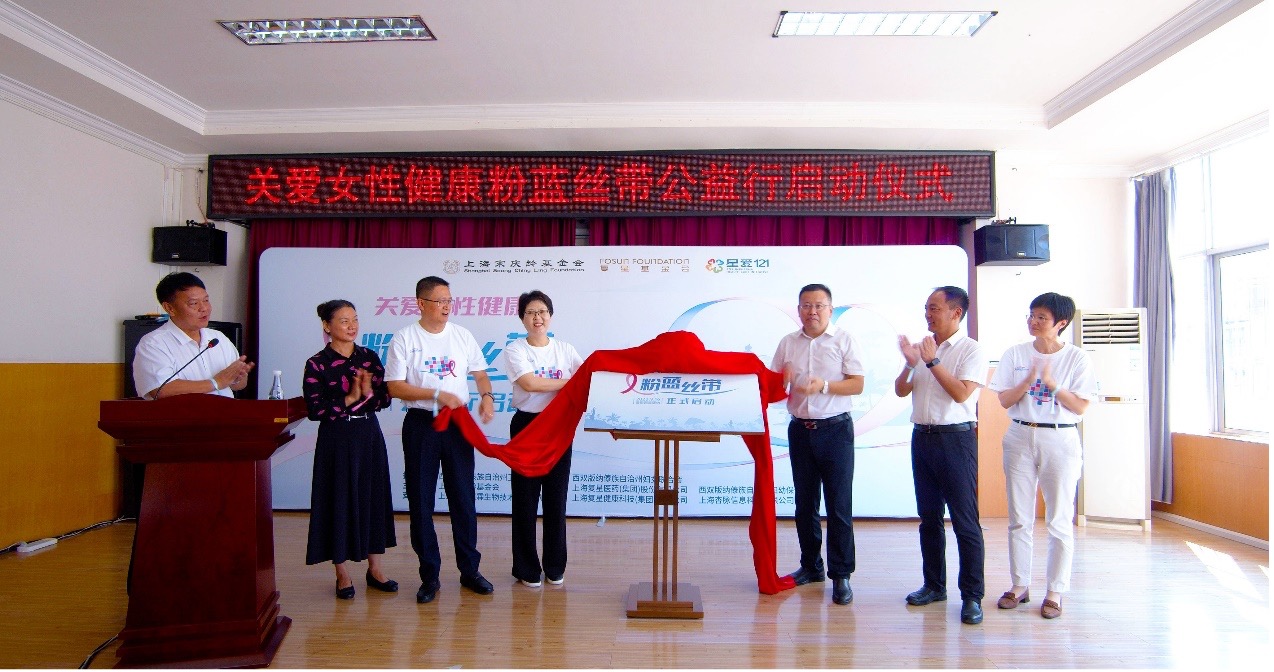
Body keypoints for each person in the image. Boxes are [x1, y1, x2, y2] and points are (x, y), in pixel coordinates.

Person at [385, 276, 497, 604]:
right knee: (421, 500)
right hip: (422, 423)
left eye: (449, 300)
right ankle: (429, 575)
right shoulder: (405, 338)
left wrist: (486, 397)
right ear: (421, 304)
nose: (447, 306)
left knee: (463, 497)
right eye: (440, 301)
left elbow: (480, 374)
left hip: (457, 424)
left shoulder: (461, 335)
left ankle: (470, 570)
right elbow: (395, 386)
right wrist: (437, 394)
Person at [988, 292, 1096, 620]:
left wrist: (1051, 384)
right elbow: (1004, 400)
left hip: (1060, 438)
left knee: (1059, 518)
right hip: (1020, 434)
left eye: (1041, 318)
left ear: (1061, 323)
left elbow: (1080, 406)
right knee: (1019, 517)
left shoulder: (1077, 358)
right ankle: (1019, 585)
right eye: (1031, 315)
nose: (1033, 322)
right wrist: (1028, 380)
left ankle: (1055, 592)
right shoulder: (1015, 353)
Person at [894, 286, 990, 625]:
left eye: (934, 308)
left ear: (956, 313)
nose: (928, 314)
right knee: (929, 518)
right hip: (922, 438)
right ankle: (934, 586)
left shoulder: (971, 350)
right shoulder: (924, 348)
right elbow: (901, 390)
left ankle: (972, 596)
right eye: (926, 307)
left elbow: (962, 394)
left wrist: (932, 361)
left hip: (956, 440)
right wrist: (910, 365)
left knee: (965, 520)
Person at [770, 283, 865, 605]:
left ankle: (841, 575)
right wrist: (781, 380)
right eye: (806, 306)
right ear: (798, 310)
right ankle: (811, 567)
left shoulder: (844, 339)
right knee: (805, 503)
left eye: (819, 306)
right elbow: (775, 382)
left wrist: (823, 385)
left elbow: (857, 384)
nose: (812, 311)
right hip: (800, 430)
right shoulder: (788, 343)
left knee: (839, 505)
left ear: (830, 309)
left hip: (835, 430)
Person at [302, 300, 398, 600]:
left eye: (354, 319)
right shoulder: (317, 363)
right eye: (344, 321)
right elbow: (315, 410)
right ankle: (342, 572)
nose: (352, 326)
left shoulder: (368, 357)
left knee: (373, 496)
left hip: (368, 433)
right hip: (336, 438)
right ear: (327, 326)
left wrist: (368, 395)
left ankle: (375, 569)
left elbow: (385, 398)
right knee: (338, 498)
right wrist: (349, 398)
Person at [502, 290, 584, 588]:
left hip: (558, 428)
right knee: (525, 499)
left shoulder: (565, 349)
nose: (537, 318)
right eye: (530, 313)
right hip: (528, 427)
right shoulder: (515, 349)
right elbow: (530, 383)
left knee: (555, 498)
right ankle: (526, 568)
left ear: (550, 315)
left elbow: (586, 378)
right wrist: (569, 383)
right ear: (522, 318)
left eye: (542, 312)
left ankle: (555, 566)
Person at [133, 272, 253, 400]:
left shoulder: (218, 338)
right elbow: (161, 390)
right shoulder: (153, 344)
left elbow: (238, 385)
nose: (204, 308)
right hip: (182, 413)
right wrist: (216, 382)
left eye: (206, 300)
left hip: (226, 412)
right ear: (169, 308)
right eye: (194, 303)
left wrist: (238, 377)